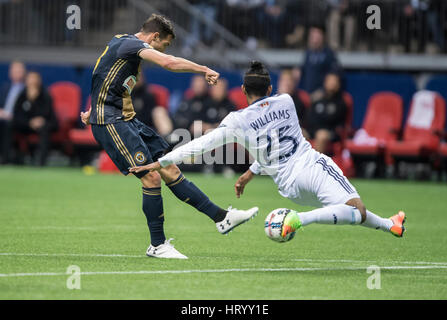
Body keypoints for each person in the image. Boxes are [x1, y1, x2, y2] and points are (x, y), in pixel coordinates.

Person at [131, 61, 406, 241]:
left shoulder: (236, 121)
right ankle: (296, 220)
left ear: (242, 90)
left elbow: (197, 146)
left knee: (348, 208)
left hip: (289, 187)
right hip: (310, 168)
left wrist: (161, 161)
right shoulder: (286, 102)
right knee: (355, 210)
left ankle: (389, 224)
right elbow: (280, 137)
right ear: (271, 88)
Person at [80, 14, 257, 260]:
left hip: (126, 120)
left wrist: (94, 107)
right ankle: (157, 245)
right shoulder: (133, 45)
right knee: (151, 177)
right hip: (112, 122)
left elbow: (103, 75)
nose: (165, 49)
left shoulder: (121, 45)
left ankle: (222, 217)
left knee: (169, 168)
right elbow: (170, 63)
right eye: (165, 44)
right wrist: (203, 68)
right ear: (154, 37)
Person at [13, 71, 58, 166]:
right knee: (8, 125)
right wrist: (29, 122)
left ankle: (40, 162)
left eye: (35, 79)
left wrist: (33, 102)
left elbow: (47, 114)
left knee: (44, 128)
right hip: (26, 124)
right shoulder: (22, 95)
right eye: (30, 79)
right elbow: (17, 114)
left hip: (42, 124)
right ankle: (9, 158)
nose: (33, 82)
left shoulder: (45, 95)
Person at [307, 72, 347, 154]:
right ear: (325, 82)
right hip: (313, 130)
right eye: (330, 81)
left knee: (321, 135)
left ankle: (316, 166)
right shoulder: (317, 99)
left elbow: (334, 120)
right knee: (298, 133)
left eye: (335, 81)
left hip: (331, 132)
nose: (332, 83)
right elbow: (309, 117)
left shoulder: (341, 102)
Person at [298, 25, 341, 93]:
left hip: (323, 96)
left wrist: (323, 92)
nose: (315, 39)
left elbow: (334, 75)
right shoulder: (308, 53)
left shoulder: (329, 54)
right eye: (312, 36)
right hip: (307, 95)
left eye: (317, 36)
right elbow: (303, 71)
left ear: (323, 37)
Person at [0, 61, 26, 164]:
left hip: (18, 120)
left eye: (19, 71)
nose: (16, 73)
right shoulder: (4, 88)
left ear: (24, 73)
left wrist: (12, 115)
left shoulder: (27, 90)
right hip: (3, 118)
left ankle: (4, 159)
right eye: (14, 71)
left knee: (7, 124)